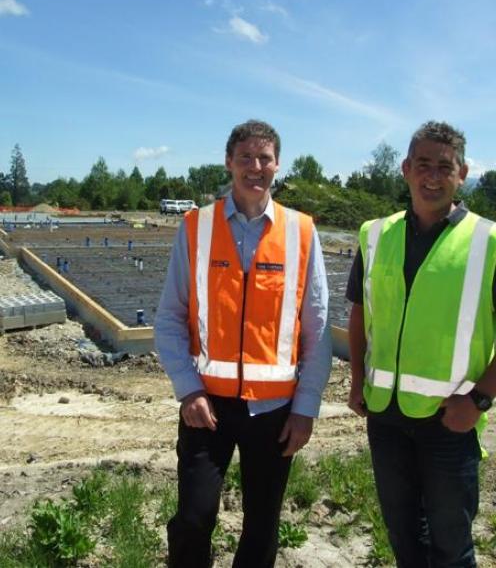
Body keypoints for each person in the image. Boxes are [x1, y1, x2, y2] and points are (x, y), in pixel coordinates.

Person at [155, 119, 331, 568]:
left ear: (277, 165)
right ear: (229, 162)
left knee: (262, 527)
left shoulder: (302, 232)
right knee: (193, 518)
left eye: (265, 158)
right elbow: (170, 319)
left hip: (274, 413)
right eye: (246, 157)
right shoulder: (196, 227)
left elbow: (317, 329)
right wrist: (188, 389)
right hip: (206, 408)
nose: (256, 167)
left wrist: (306, 407)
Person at [347, 120, 496, 567]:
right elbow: (360, 313)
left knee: (451, 546)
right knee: (404, 537)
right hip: (386, 418)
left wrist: (480, 399)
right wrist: (357, 380)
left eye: (444, 167)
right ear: (406, 168)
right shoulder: (375, 234)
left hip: (450, 422)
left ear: (462, 173)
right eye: (424, 165)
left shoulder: (488, 242)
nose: (433, 176)